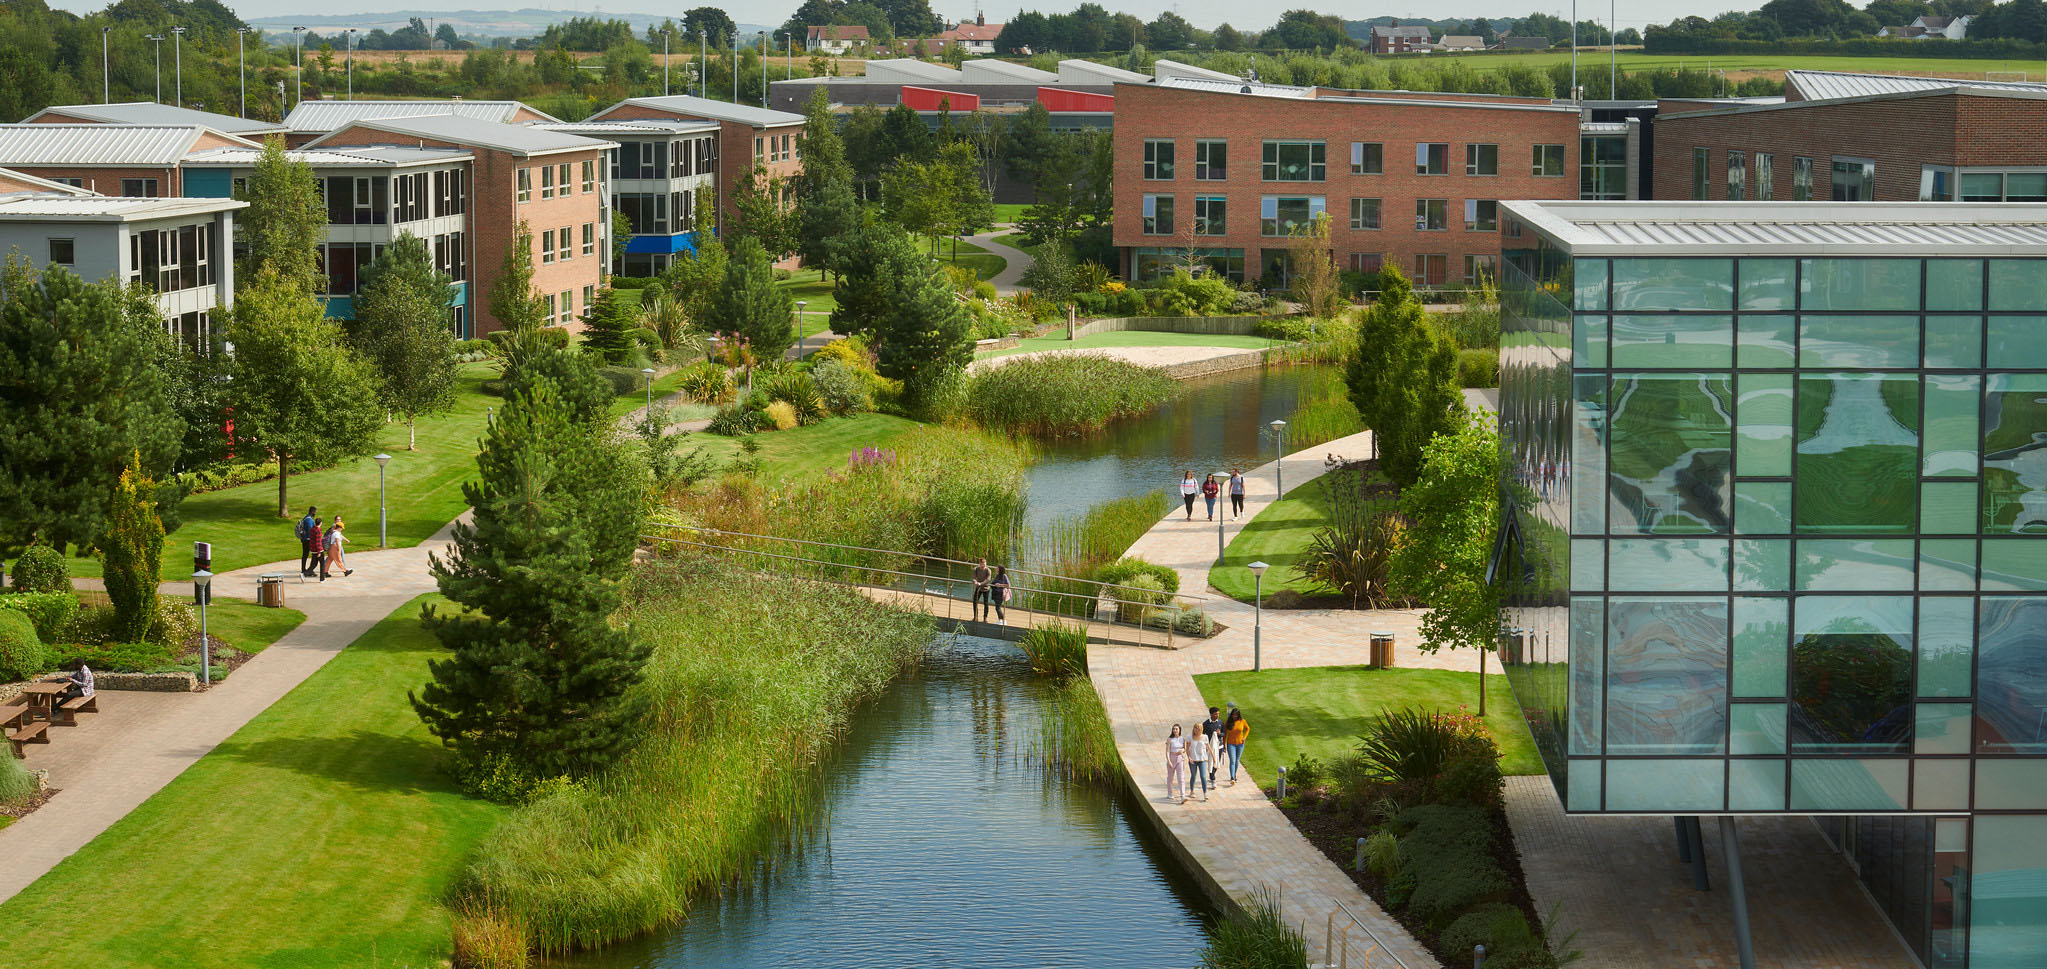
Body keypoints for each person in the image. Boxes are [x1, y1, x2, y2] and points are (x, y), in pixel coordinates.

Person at [1223, 703, 1250, 786]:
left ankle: (1234, 775)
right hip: (1231, 744)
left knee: (1237, 760)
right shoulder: (1228, 722)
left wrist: (1244, 737)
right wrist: (1224, 745)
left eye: (1236, 715)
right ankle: (1232, 777)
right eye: (1233, 715)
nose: (1234, 716)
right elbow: (1225, 734)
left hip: (1240, 744)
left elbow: (1248, 729)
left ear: (1238, 715)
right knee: (1232, 760)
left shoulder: (1242, 721)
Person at [1186, 721, 1212, 801]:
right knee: (1193, 775)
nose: (1195, 730)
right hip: (1193, 760)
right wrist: (1188, 757)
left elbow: (1208, 747)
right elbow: (1187, 748)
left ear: (1201, 729)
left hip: (1202, 759)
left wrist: (1213, 757)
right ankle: (1192, 791)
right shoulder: (1189, 736)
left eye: (1197, 728)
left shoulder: (1205, 737)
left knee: (1203, 776)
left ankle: (1205, 793)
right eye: (1195, 728)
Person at [1165, 724, 1188, 803]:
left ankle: (1183, 795)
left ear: (1179, 730)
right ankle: (1170, 793)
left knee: (1181, 778)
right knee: (1170, 778)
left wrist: (1183, 750)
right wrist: (1169, 761)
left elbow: (1185, 749)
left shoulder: (1182, 739)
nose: (1175, 730)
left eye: (1176, 729)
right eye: (1174, 729)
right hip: (1171, 757)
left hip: (1179, 759)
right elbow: (1167, 751)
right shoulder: (1170, 739)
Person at [1202, 706, 1225, 785]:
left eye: (1218, 714)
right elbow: (1201, 735)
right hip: (1209, 747)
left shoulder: (1220, 723)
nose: (1217, 715)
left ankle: (1212, 775)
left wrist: (1220, 734)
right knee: (1211, 761)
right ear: (1211, 714)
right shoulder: (1206, 724)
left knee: (1216, 762)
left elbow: (1224, 733)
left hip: (1219, 746)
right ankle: (1213, 778)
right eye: (1215, 714)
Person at [296, 505, 319, 576]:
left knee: (305, 554)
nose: (315, 513)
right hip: (308, 540)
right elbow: (310, 531)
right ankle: (309, 571)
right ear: (312, 511)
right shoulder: (309, 520)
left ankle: (304, 569)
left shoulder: (306, 517)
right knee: (313, 554)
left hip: (304, 539)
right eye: (315, 512)